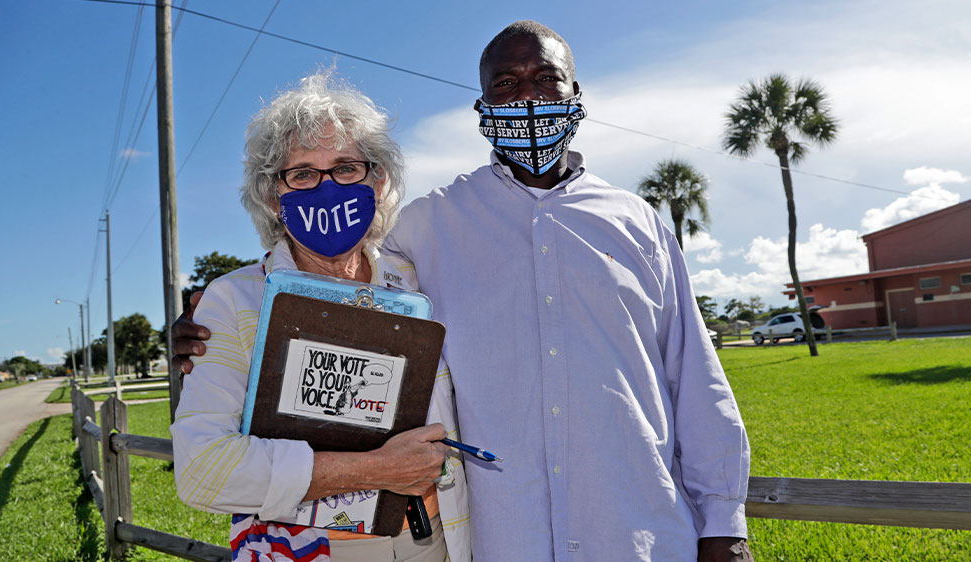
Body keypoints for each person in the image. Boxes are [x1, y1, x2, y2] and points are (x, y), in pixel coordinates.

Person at [176, 21, 753, 562]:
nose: (527, 99)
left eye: (546, 79)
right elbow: (296, 291)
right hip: (477, 542)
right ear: (483, 107)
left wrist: (724, 524)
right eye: (506, 84)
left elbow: (694, 377)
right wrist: (203, 331)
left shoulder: (637, 223)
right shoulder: (426, 231)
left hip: (628, 533)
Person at [169, 72, 471, 562]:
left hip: (438, 540)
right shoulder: (235, 301)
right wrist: (372, 469)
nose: (327, 188)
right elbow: (203, 470)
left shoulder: (422, 280)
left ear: (379, 179)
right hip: (309, 549)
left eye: (347, 167)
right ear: (273, 197)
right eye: (303, 173)